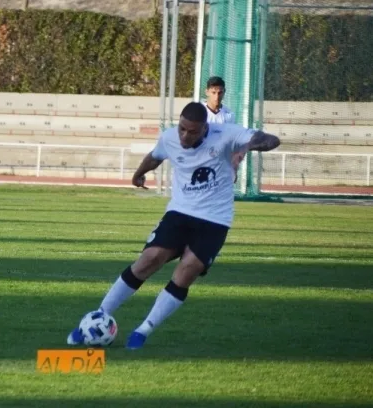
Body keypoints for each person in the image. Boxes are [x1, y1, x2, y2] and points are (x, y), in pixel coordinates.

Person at [66, 102, 281, 349]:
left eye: (192, 131)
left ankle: (143, 331)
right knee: (148, 260)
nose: (185, 136)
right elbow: (155, 156)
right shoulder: (169, 137)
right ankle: (97, 317)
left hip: (215, 219)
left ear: (205, 128)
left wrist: (245, 147)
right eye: (182, 129)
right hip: (180, 212)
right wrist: (138, 174)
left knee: (187, 271)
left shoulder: (227, 135)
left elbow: (270, 140)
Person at [202, 76, 246, 181]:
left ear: (224, 92)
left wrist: (234, 169)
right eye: (213, 92)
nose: (217, 97)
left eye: (220, 93)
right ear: (207, 92)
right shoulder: (198, 112)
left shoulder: (229, 115)